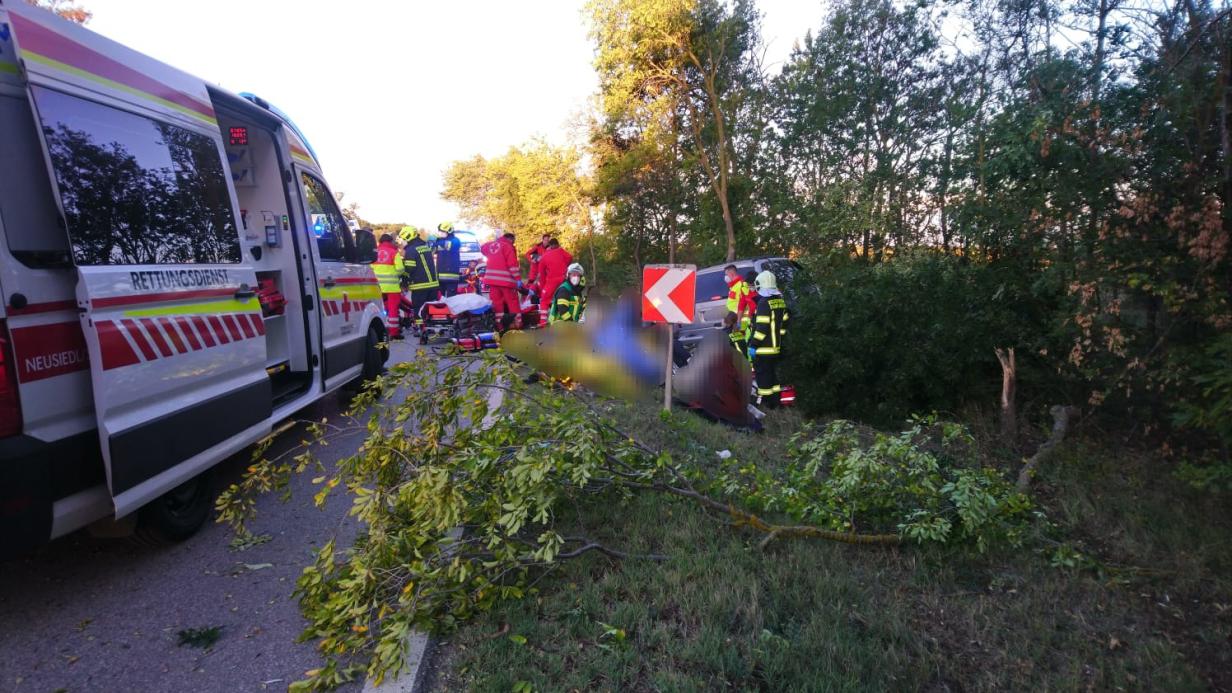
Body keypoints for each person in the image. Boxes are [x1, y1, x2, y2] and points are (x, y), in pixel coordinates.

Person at [748, 270, 789, 408]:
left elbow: (762, 328)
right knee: (773, 376)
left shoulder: (764, 302)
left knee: (764, 378)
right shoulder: (780, 301)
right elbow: (784, 323)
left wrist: (753, 344)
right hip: (775, 347)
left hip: (763, 349)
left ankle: (767, 405)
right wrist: (779, 339)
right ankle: (776, 402)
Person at [481, 231, 522, 332]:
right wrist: (518, 279)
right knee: (513, 303)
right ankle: (517, 325)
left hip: (492, 281)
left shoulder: (491, 245)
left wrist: (495, 241)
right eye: (513, 241)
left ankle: (500, 327)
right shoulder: (508, 246)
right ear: (510, 239)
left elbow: (482, 248)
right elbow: (512, 265)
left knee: (497, 305)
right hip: (506, 281)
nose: (513, 243)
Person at [402, 226, 440, 332]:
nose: (403, 242)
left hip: (420, 285)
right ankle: (433, 327)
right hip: (433, 284)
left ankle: (420, 329)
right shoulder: (425, 246)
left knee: (418, 308)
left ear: (408, 237)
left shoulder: (411, 250)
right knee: (431, 307)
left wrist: (403, 278)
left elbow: (409, 267)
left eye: (404, 239)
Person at [372, 233, 405, 339]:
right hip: (392, 287)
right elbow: (400, 269)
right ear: (391, 241)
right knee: (393, 310)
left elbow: (369, 267)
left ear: (380, 242)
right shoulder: (394, 252)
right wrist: (396, 275)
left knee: (378, 309)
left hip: (377, 287)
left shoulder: (374, 252)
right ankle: (394, 333)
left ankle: (381, 331)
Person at [537, 238, 573, 326]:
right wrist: (565, 265)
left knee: (544, 300)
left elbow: (541, 274)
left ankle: (543, 322)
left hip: (551, 281)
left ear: (550, 245)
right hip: (563, 279)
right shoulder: (560, 251)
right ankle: (570, 319)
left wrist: (542, 288)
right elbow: (570, 257)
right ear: (557, 244)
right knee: (567, 298)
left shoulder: (544, 255)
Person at [724, 264, 755, 335]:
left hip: (742, 319)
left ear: (731, 273)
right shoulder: (734, 286)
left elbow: (745, 303)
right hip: (735, 318)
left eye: (726, 274)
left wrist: (736, 317)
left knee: (744, 339)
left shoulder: (741, 285)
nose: (725, 277)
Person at [435, 222, 462, 296]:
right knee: (440, 301)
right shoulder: (440, 241)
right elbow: (433, 250)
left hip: (451, 276)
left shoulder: (455, 240)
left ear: (449, 231)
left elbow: (449, 245)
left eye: (442, 231)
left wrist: (436, 242)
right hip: (440, 276)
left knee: (452, 300)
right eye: (440, 231)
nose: (440, 233)